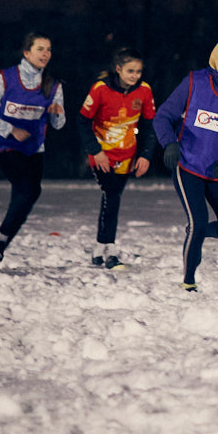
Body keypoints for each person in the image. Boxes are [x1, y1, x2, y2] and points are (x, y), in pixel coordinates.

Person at [154, 33, 218, 292]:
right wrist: (170, 143)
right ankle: (188, 281)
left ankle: (196, 230)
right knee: (199, 221)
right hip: (188, 166)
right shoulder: (195, 82)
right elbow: (163, 117)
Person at [0, 32, 66, 274]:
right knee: (29, 191)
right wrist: (10, 129)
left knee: (25, 198)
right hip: (5, 145)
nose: (46, 53)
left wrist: (57, 113)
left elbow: (58, 125)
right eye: (40, 49)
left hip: (35, 150)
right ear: (27, 53)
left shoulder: (53, 84)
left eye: (48, 49)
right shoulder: (7, 77)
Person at [77, 47, 157, 270]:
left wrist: (146, 155)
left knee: (112, 198)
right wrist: (96, 151)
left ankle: (98, 249)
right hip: (102, 155)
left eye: (138, 72)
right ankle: (110, 250)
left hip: (127, 155)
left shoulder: (144, 90)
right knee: (111, 194)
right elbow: (82, 122)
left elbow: (151, 126)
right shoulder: (100, 89)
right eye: (130, 71)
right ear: (118, 69)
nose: (135, 76)